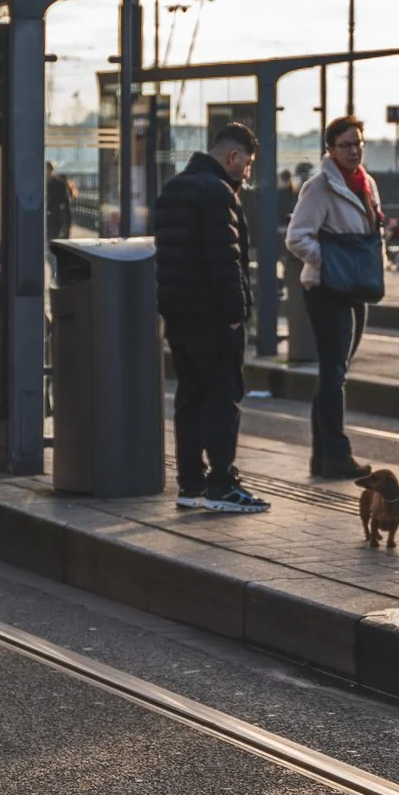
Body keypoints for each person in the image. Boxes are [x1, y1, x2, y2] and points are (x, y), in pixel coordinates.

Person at [154, 121, 267, 514]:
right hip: (214, 318)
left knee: (189, 397)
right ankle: (221, 482)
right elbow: (225, 261)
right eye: (247, 164)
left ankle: (190, 482)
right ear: (232, 156)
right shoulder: (218, 193)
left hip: (179, 316)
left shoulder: (173, 188)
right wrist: (236, 316)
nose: (247, 173)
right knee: (222, 398)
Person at [287, 116, 383, 479]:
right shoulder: (319, 187)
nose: (355, 150)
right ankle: (336, 455)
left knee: (334, 373)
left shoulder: (367, 183)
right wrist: (331, 262)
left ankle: (323, 456)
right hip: (326, 289)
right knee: (334, 373)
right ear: (330, 149)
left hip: (355, 287)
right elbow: (297, 238)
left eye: (359, 143)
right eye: (346, 145)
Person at [46, 161, 76, 243]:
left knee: (52, 240)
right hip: (52, 217)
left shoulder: (58, 184)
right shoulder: (55, 183)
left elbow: (65, 203)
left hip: (55, 218)